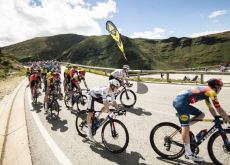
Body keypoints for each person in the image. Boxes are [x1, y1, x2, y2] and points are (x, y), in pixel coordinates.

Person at [172, 78, 230, 162]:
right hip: (181, 103)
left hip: (182, 101)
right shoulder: (211, 92)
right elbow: (219, 109)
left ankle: (185, 126)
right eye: (220, 88)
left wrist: (216, 117)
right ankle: (188, 153)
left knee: (201, 115)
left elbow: (211, 108)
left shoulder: (207, 91)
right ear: (216, 87)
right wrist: (228, 120)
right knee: (186, 126)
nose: (220, 90)